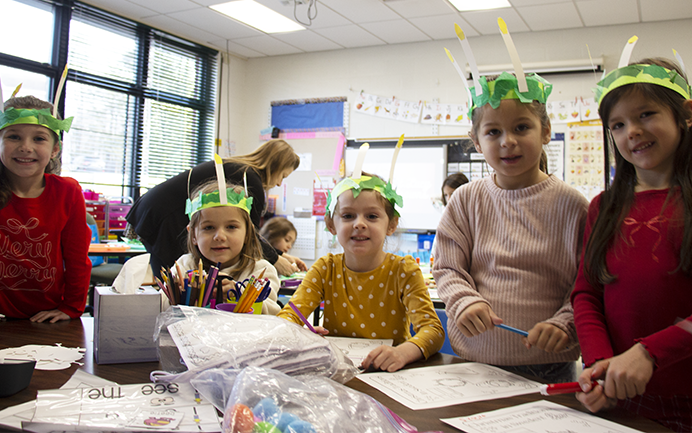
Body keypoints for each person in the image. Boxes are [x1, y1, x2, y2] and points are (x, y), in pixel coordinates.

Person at [433, 70, 588, 383]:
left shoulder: (573, 206)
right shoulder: (465, 200)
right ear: (476, 142)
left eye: (521, 127)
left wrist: (565, 323)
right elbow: (447, 268)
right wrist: (464, 301)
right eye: (493, 132)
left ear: (545, 131)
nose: (508, 141)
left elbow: (587, 285)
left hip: (551, 367)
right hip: (474, 362)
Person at [572, 56, 692, 433]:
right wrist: (598, 363)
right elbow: (587, 295)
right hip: (620, 399)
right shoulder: (603, 207)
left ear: (685, 114)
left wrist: (649, 352)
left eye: (646, 115)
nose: (632, 132)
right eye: (618, 125)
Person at [277, 168, 445, 372]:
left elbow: (433, 331)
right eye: (348, 215)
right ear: (332, 225)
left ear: (391, 225)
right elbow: (288, 317)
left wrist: (403, 352)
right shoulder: (325, 269)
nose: (359, 224)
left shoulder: (404, 271)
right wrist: (301, 335)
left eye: (372, 216)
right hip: (339, 373)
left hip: (390, 375)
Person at [126, 139, 303, 279]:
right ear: (275, 166)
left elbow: (249, 233)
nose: (280, 183)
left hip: (149, 211)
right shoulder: (249, 178)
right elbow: (251, 235)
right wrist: (276, 260)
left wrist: (280, 255)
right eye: (283, 176)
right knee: (178, 283)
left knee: (179, 282)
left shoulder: (239, 169)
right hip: (163, 217)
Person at [0, 95, 91, 323]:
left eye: (39, 138)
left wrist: (70, 308)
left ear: (54, 150)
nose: (25, 147)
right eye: (14, 136)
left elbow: (77, 259)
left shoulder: (67, 192)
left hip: (48, 316)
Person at [175, 179, 281, 314]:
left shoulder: (261, 270)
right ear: (193, 235)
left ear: (248, 233)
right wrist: (182, 293)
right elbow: (162, 305)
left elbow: (272, 312)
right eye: (208, 227)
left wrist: (239, 296)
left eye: (231, 227)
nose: (219, 236)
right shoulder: (185, 265)